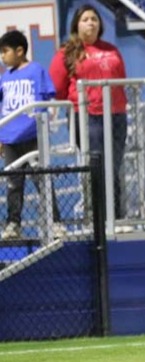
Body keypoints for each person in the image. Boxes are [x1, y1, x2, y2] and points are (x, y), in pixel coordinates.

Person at [49, 4, 129, 222]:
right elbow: (57, 87)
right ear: (76, 25)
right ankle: (101, 218)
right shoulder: (67, 52)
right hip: (87, 115)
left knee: (113, 166)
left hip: (116, 114)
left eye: (94, 19)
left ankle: (115, 217)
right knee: (98, 165)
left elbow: (121, 78)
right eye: (85, 19)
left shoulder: (111, 50)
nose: (91, 23)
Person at [0, 30, 66, 240]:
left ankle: (55, 221)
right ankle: (13, 223)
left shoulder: (36, 70)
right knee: (13, 183)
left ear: (20, 51)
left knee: (42, 180)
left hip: (33, 136)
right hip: (10, 139)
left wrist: (41, 125)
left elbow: (46, 99)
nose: (2, 57)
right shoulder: (4, 77)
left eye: (5, 51)